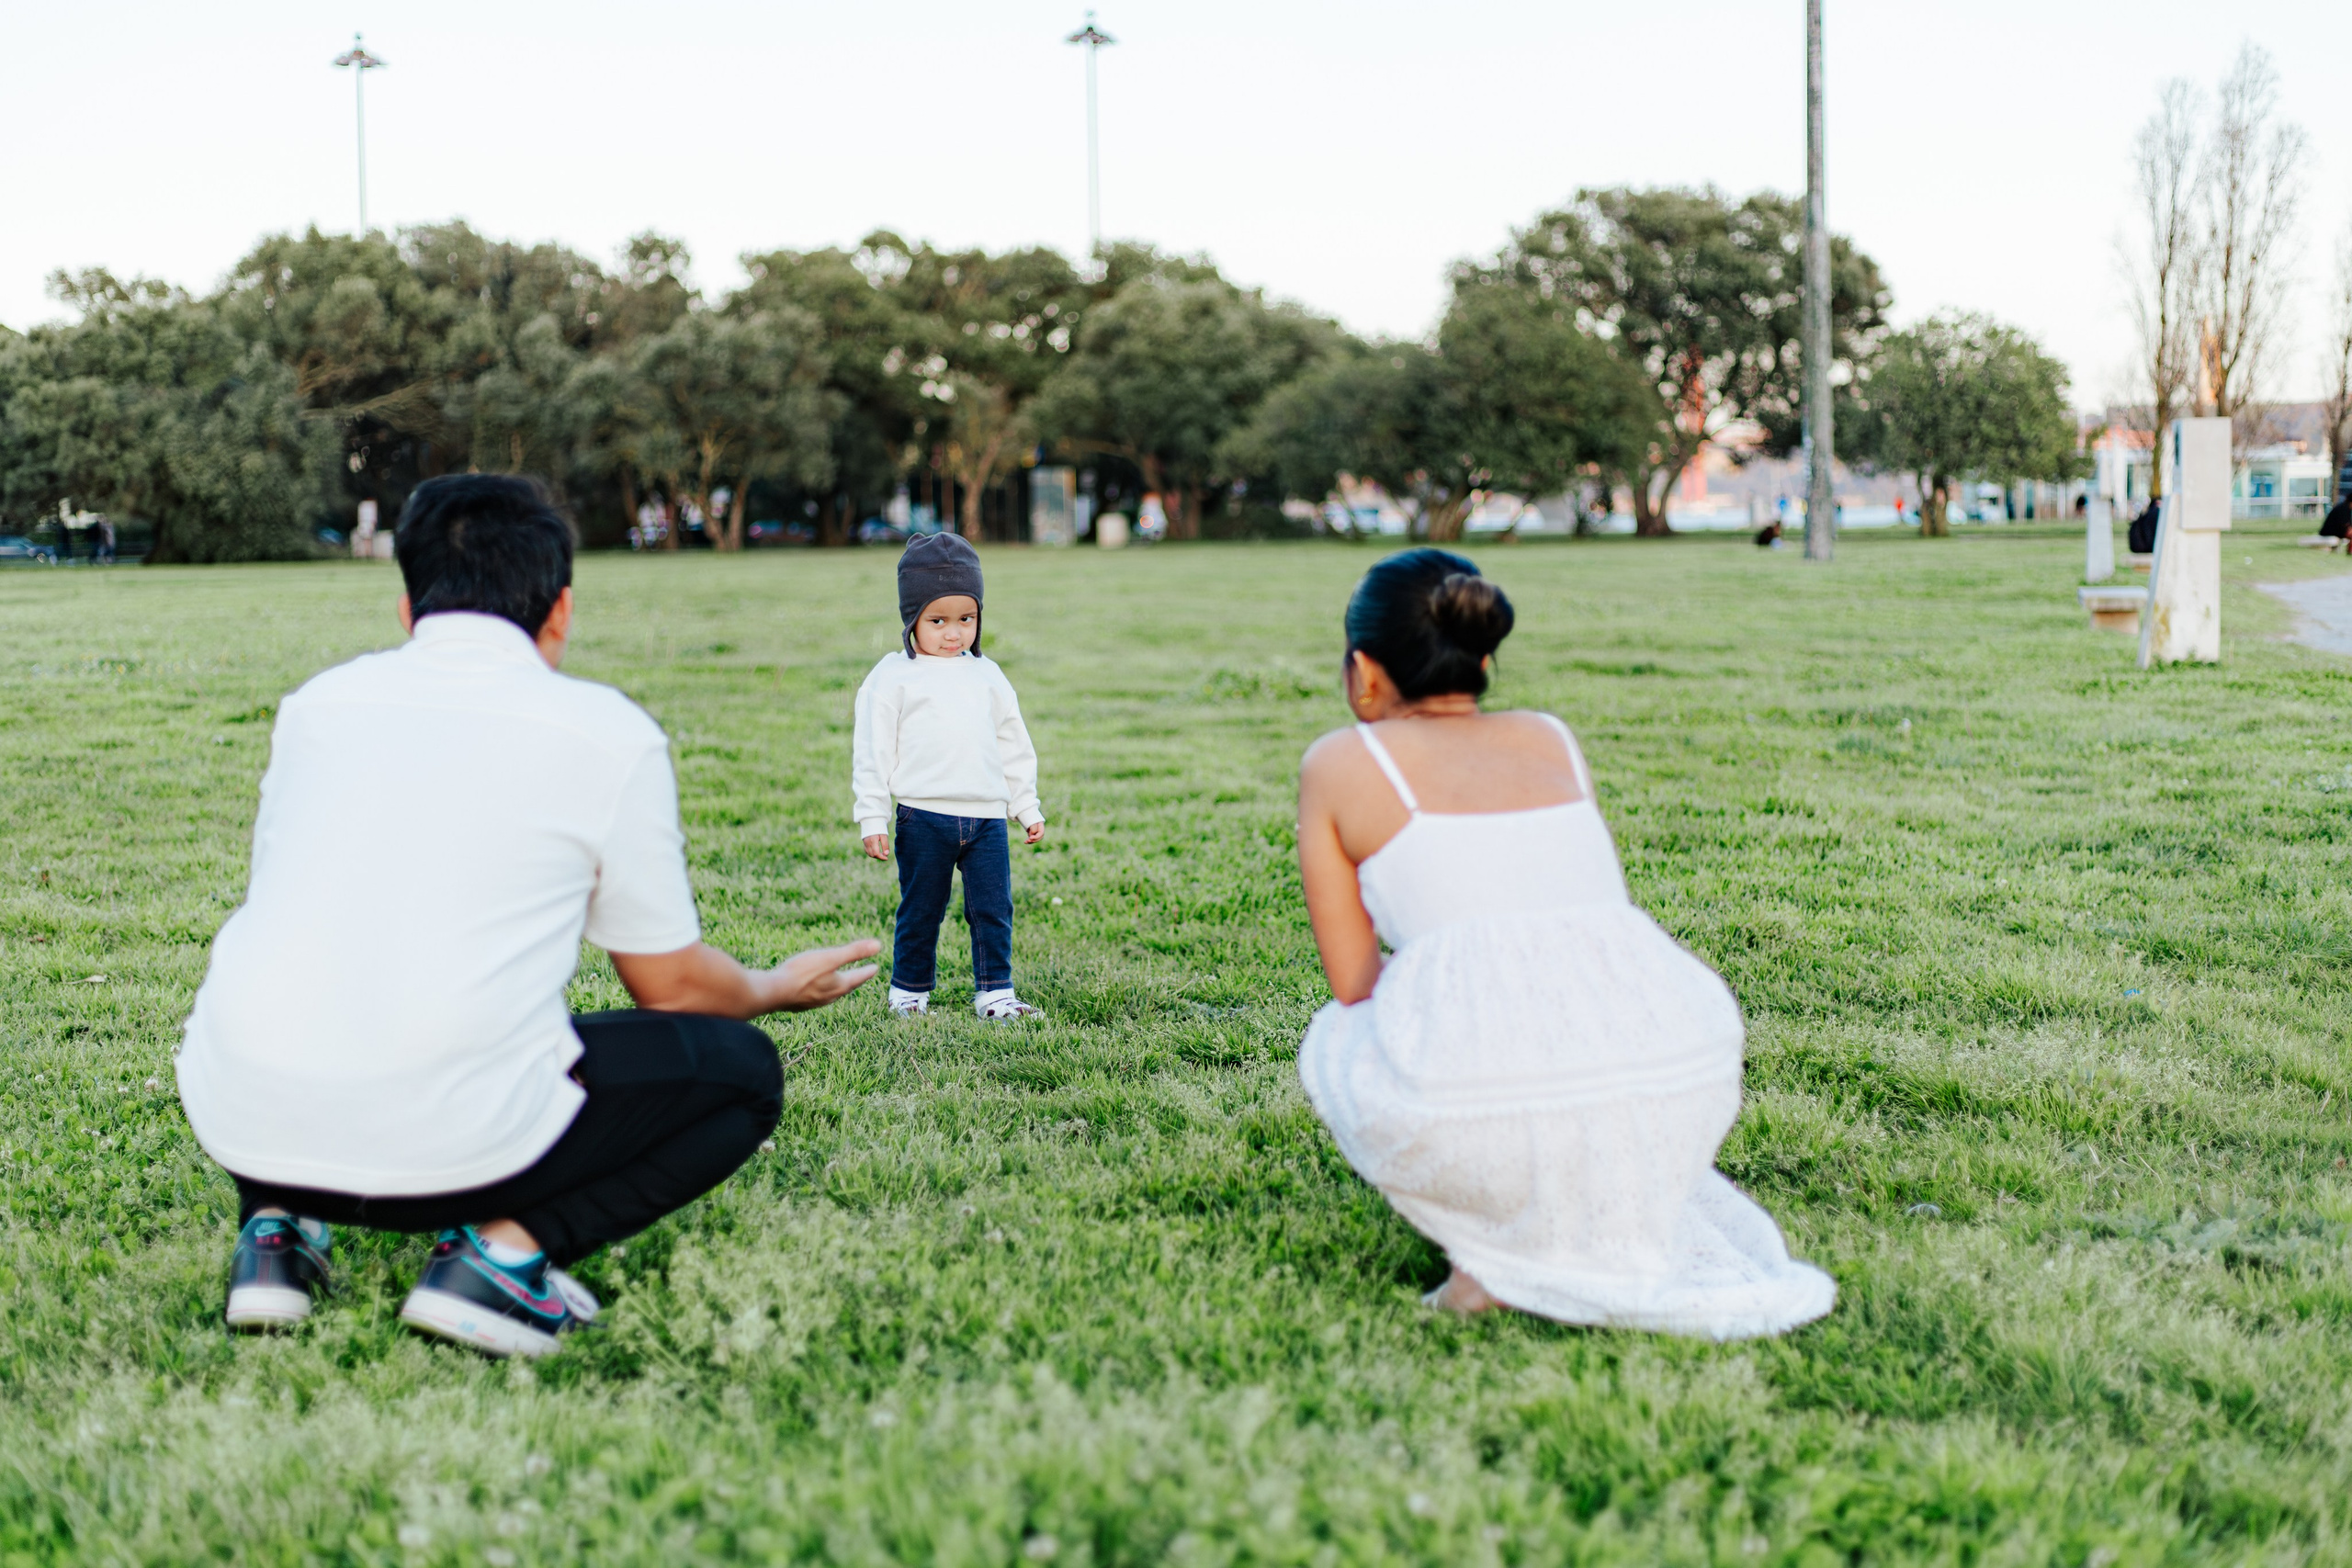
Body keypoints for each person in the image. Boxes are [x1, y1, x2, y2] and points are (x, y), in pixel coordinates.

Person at [176, 475, 879, 1358]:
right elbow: (668, 984)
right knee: (741, 1072)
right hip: (450, 1142)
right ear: (562, 613)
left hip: (245, 1111)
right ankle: (499, 1262)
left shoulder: (315, 706)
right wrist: (774, 985)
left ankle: (277, 1237)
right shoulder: (603, 731)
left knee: (309, 980)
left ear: (407, 608)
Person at [1293, 548, 1835, 1339]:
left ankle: (1487, 1253)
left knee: (1340, 1035)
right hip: (1673, 1062)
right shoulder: (1552, 736)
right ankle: (1543, 1209)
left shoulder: (1339, 761)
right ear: (1481, 657)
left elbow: (1353, 982)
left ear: (1365, 673)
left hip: (1509, 1089)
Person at [853, 532, 1046, 1020]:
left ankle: (995, 995)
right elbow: (873, 752)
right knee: (922, 909)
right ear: (911, 618)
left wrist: (1025, 805)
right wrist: (872, 816)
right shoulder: (892, 677)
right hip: (923, 817)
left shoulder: (987, 675)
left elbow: (1013, 744)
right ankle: (909, 994)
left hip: (986, 821)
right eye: (937, 621)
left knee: (992, 911)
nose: (954, 633)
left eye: (967, 619)